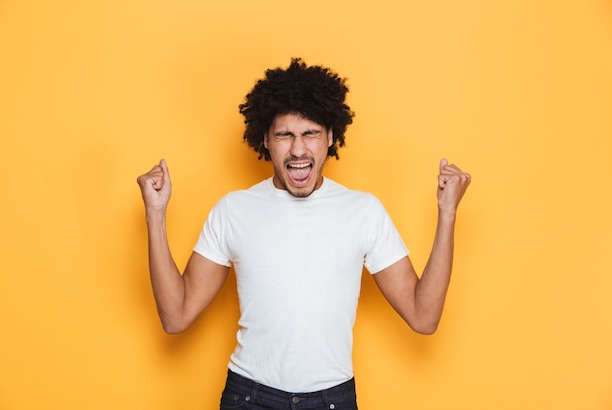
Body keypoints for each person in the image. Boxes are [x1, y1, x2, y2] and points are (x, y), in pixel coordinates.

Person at [136, 58, 471, 410]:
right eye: (284, 135)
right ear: (265, 139)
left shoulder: (364, 212)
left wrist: (447, 214)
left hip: (332, 399)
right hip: (249, 397)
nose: (298, 149)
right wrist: (156, 214)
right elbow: (176, 317)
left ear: (330, 136)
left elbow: (424, 316)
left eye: (310, 133)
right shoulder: (233, 210)